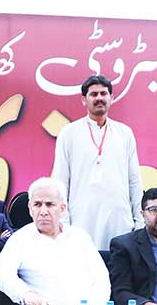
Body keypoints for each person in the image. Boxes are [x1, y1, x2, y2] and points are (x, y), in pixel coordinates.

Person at [0, 178, 110, 305]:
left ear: (62, 208)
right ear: (30, 208)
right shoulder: (21, 239)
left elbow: (101, 280)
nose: (43, 212)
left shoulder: (80, 237)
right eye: (37, 205)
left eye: (50, 204)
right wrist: (28, 295)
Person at [52, 75, 144, 249]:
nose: (99, 98)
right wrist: (64, 221)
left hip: (119, 218)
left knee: (118, 262)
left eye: (104, 93)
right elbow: (60, 181)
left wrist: (139, 220)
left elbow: (134, 180)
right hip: (81, 218)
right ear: (84, 100)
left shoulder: (124, 133)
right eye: (94, 94)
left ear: (111, 97)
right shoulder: (69, 133)